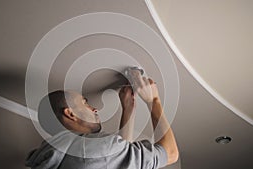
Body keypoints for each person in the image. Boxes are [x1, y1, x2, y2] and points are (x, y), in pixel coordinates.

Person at [25, 71, 179, 169]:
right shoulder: (91, 151)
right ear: (70, 114)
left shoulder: (65, 156)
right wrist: (154, 101)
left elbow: (117, 159)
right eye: (85, 103)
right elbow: (170, 153)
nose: (94, 109)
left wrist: (128, 110)